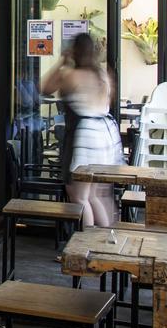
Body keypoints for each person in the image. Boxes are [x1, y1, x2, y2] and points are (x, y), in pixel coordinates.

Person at [40, 33, 122, 227]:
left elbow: (44, 87)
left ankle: (87, 246)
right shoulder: (103, 75)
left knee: (79, 196)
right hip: (105, 135)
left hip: (84, 137)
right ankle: (105, 241)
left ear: (74, 51)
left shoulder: (70, 75)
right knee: (95, 195)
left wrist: (62, 60)